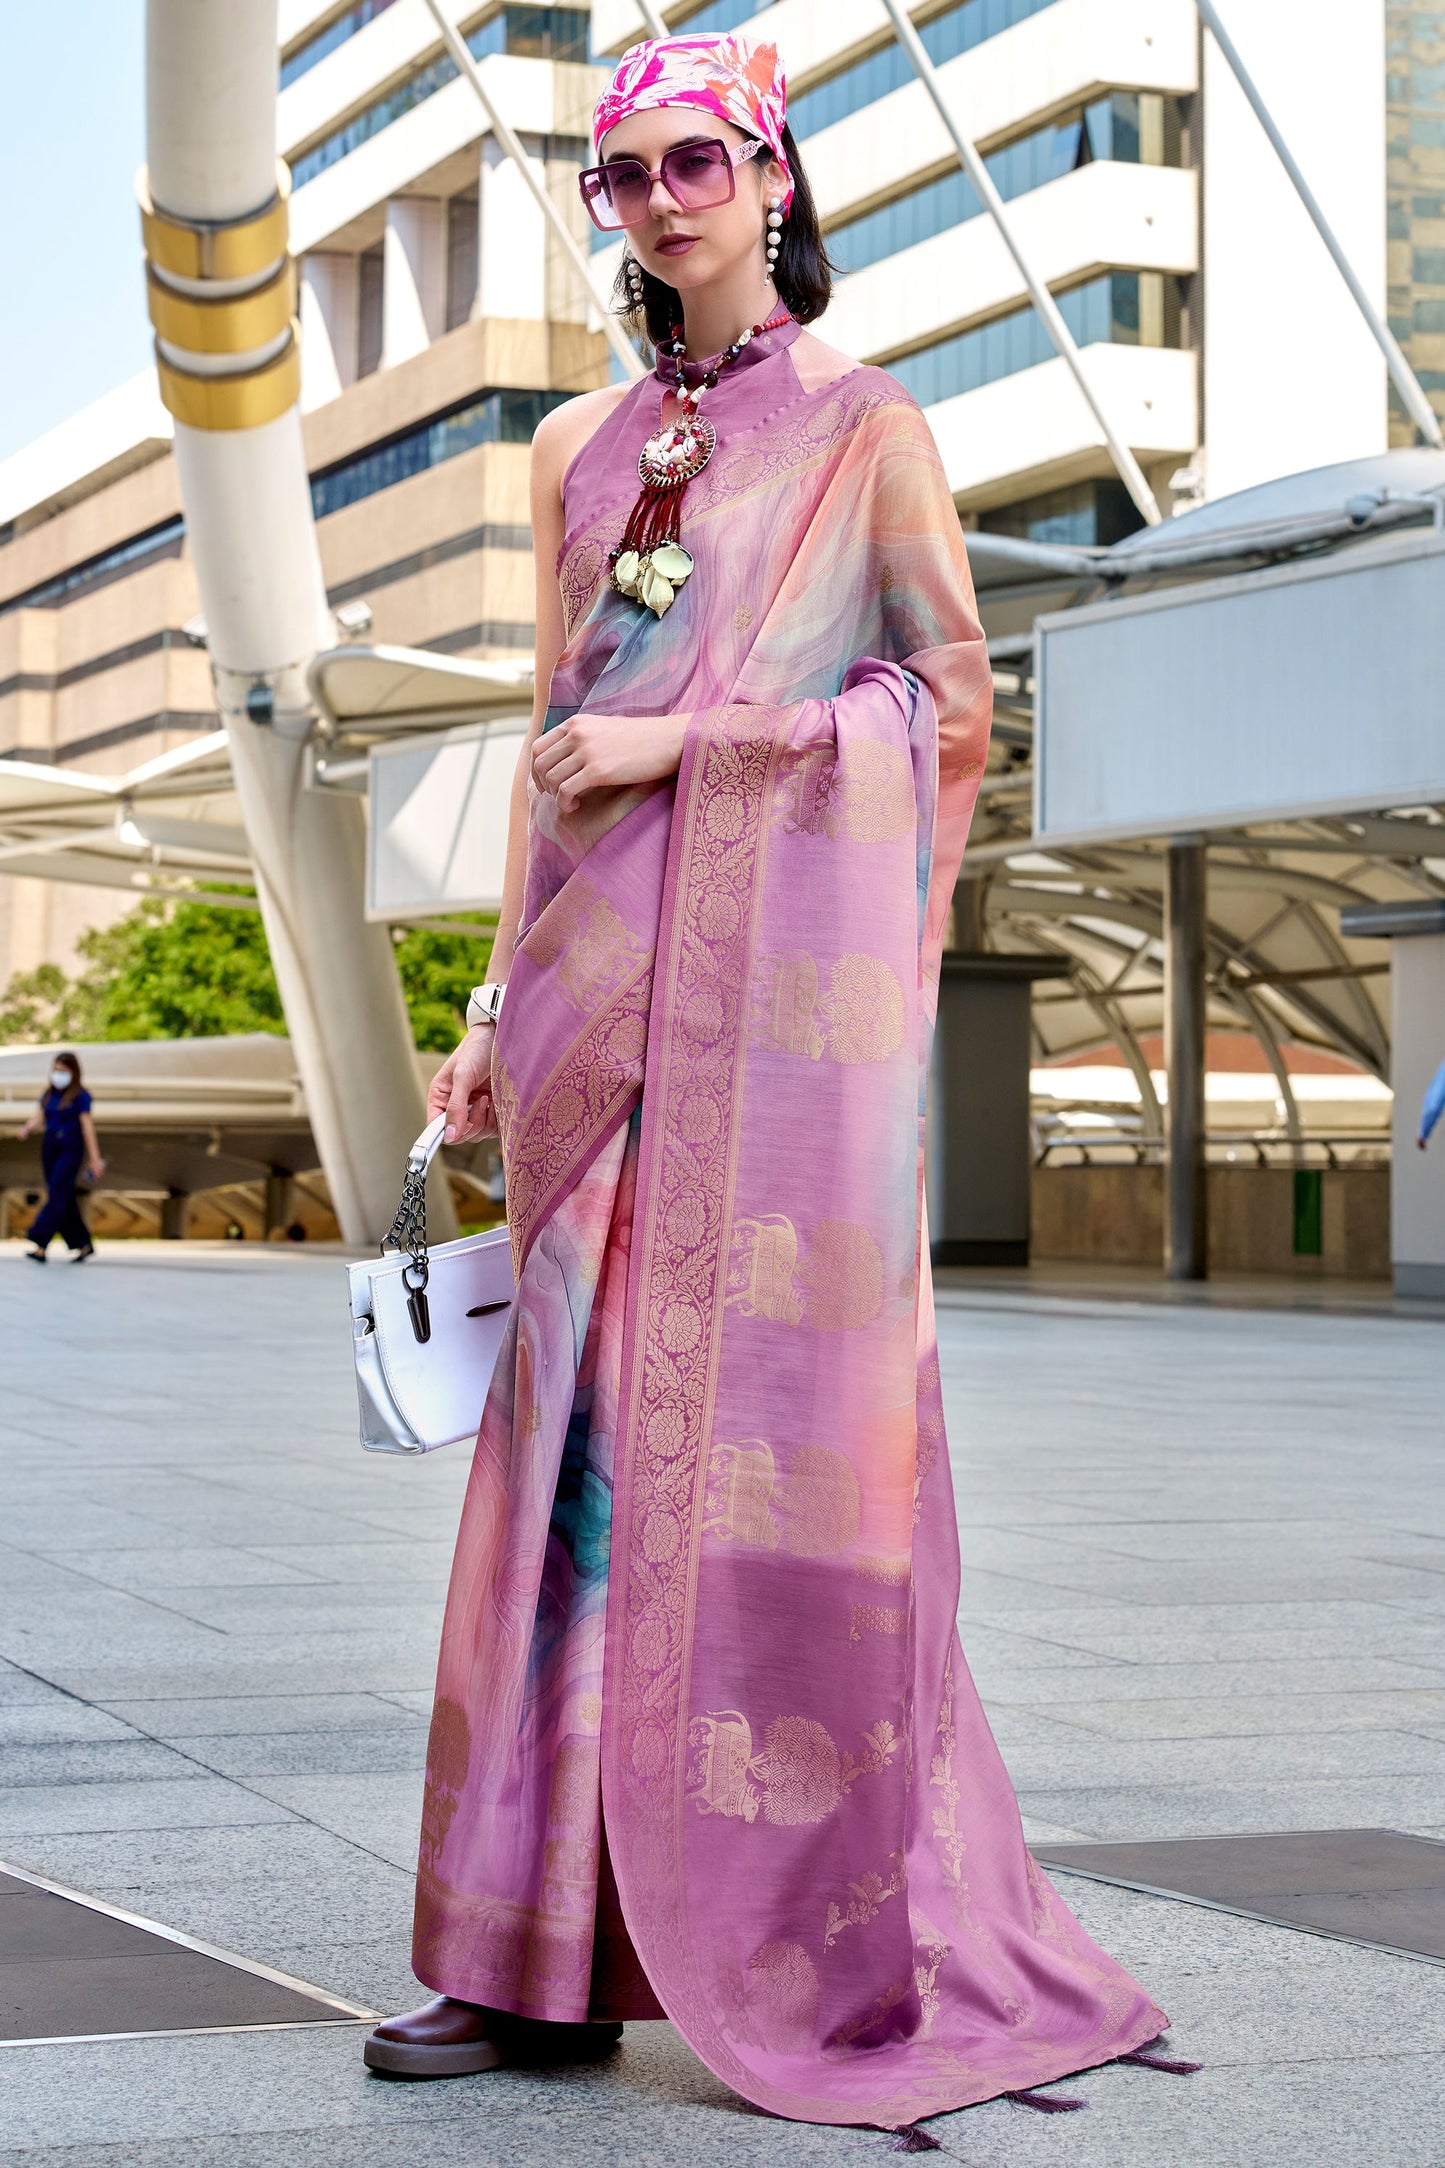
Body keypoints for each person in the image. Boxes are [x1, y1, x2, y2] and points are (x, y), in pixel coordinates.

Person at [363, 30, 1194, 2132]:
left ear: (773, 177)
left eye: (695, 163)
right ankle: (514, 1959)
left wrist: (701, 744)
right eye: (623, 173)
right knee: (553, 1486)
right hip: (573, 1022)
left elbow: (935, 711)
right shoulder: (574, 446)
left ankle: (792, 1930)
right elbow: (559, 739)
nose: (659, 203)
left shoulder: (863, 431)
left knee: (722, 1489)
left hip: (752, 1049)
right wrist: (480, 1009)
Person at [17, 1050, 103, 1263]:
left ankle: (40, 1241)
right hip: (50, 1146)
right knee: (63, 1196)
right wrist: (27, 1128)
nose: (58, 1075)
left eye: (63, 1071)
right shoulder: (49, 1095)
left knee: (57, 1193)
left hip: (70, 1146)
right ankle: (83, 1243)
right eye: (56, 1070)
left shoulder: (81, 1096)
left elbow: (87, 1127)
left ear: (73, 1073)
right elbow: (38, 1118)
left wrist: (95, 1159)